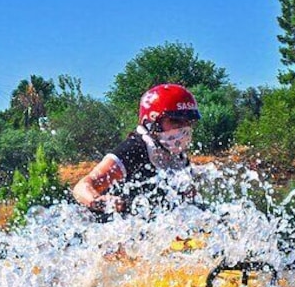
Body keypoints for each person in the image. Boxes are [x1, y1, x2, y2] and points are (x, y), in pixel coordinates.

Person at [72, 83, 201, 218]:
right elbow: (81, 187)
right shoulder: (133, 149)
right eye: (176, 121)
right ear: (152, 122)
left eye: (188, 122)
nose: (184, 128)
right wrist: (100, 202)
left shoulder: (178, 158)